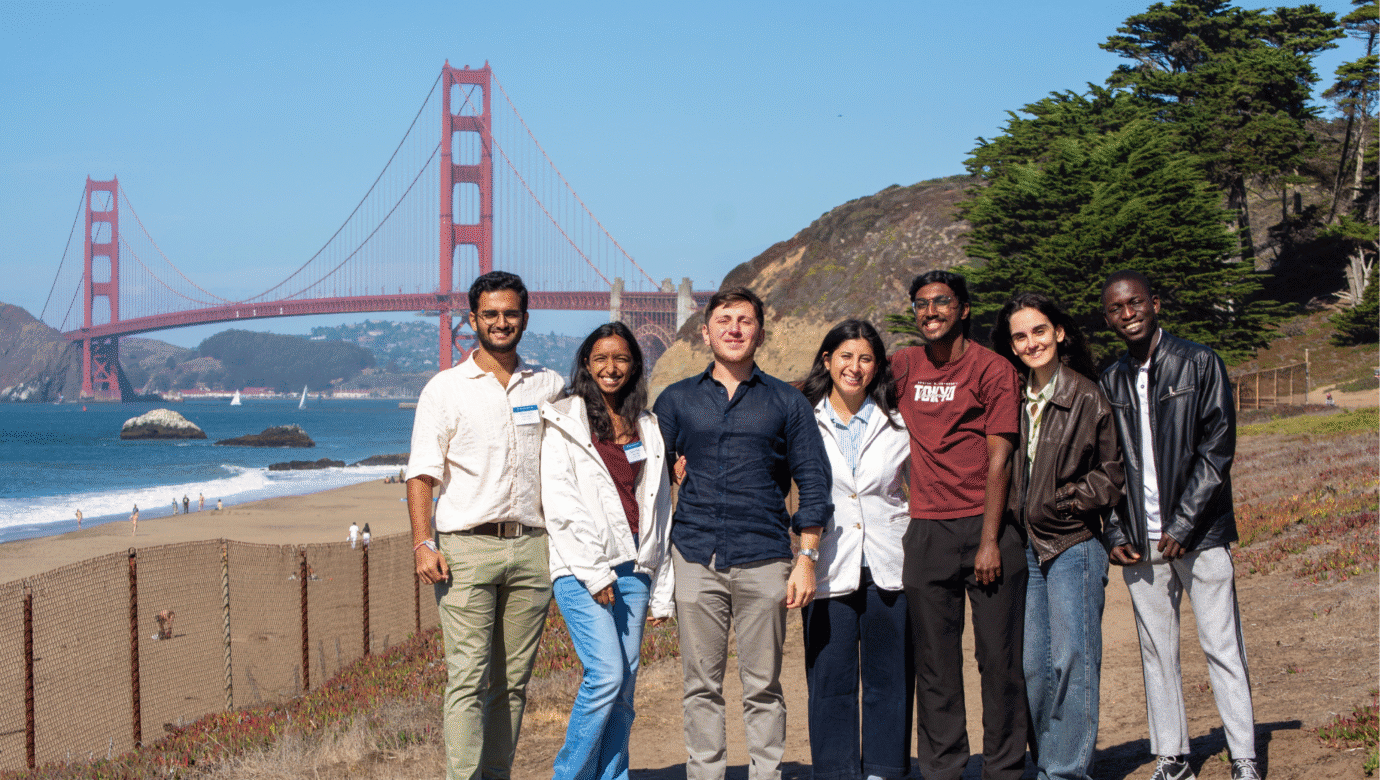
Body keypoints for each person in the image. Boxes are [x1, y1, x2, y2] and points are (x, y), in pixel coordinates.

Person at [653, 286, 833, 780]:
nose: (734, 329)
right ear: (705, 331)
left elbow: (813, 481)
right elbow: (647, 471)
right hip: (695, 557)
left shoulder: (787, 402)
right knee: (700, 686)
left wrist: (807, 559)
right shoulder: (676, 400)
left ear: (758, 332)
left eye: (745, 321)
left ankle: (765, 774)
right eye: (725, 320)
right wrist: (672, 473)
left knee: (763, 687)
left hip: (766, 558)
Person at [1099, 271, 1259, 780]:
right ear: (1108, 317)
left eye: (1136, 302)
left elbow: (1218, 451)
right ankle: (1173, 756)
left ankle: (1244, 757)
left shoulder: (1199, 362)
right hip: (1140, 543)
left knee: (1223, 646)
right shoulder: (1110, 380)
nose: (1128, 313)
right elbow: (1106, 466)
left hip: (1201, 534)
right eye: (1116, 308)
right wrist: (1116, 532)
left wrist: (1185, 523)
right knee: (1155, 650)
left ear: (1156, 304)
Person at [406, 270, 565, 780]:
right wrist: (422, 542)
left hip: (533, 548)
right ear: (471, 320)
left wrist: (667, 453)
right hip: (465, 551)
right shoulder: (444, 389)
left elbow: (588, 449)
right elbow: (422, 475)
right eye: (490, 314)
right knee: (468, 678)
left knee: (513, 682)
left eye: (510, 313)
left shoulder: (550, 385)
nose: (501, 322)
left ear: (525, 318)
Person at [890, 269, 1026, 780]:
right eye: (921, 304)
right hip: (926, 531)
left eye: (942, 302)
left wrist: (990, 540)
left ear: (964, 309)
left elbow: (1001, 459)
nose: (930, 312)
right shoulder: (902, 365)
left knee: (1000, 663)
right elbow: (841, 385)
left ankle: (1006, 770)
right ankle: (943, 770)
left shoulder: (992, 369)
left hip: (986, 529)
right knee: (936, 667)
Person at [992, 292, 1124, 780]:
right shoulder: (1010, 395)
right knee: (1033, 667)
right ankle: (1049, 762)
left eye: (1039, 331)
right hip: (1024, 547)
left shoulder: (1087, 395)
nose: (1031, 343)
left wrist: (1062, 501)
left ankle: (1066, 771)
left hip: (1074, 544)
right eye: (1020, 336)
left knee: (1074, 659)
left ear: (1059, 332)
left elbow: (1112, 474)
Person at [540, 321, 675, 780]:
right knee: (606, 677)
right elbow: (560, 502)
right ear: (585, 363)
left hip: (637, 565)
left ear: (635, 364)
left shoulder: (649, 424)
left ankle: (613, 776)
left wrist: (662, 585)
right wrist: (595, 573)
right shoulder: (564, 419)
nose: (610, 367)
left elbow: (660, 505)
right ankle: (569, 775)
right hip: (583, 570)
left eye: (620, 358)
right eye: (600, 358)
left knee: (625, 690)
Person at [799, 319, 914, 780]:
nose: (855, 366)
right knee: (830, 678)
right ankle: (835, 771)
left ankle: (884, 769)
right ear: (827, 361)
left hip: (890, 559)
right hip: (827, 561)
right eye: (845, 356)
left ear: (877, 366)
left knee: (890, 676)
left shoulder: (899, 420)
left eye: (865, 358)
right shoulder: (802, 417)